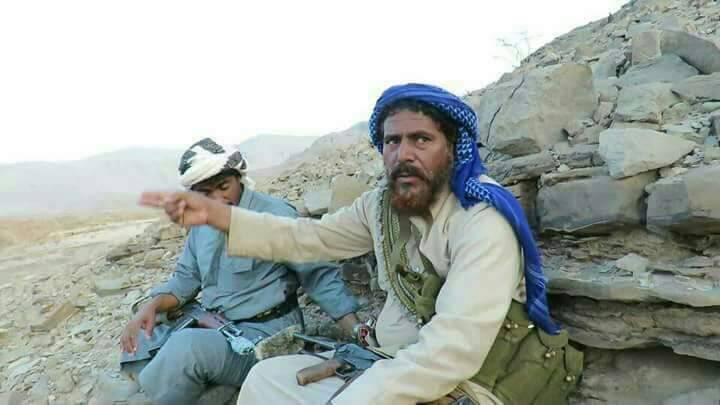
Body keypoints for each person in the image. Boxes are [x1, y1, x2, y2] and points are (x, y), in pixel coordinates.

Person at [140, 85, 582, 405]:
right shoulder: (381, 206)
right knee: (266, 379)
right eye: (393, 141)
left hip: (465, 382)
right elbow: (308, 238)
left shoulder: (481, 221)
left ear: (451, 147)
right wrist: (220, 217)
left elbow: (452, 350)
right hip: (384, 363)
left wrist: (356, 397)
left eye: (421, 139)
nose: (403, 154)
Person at [121, 138, 362, 404]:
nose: (217, 200)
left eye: (224, 187)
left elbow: (318, 276)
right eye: (205, 194)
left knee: (186, 348)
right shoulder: (200, 223)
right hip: (216, 325)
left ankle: (165, 389)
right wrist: (151, 307)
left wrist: (358, 331)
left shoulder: (274, 215)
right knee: (144, 328)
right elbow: (186, 278)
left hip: (266, 336)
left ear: (239, 178)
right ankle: (179, 384)